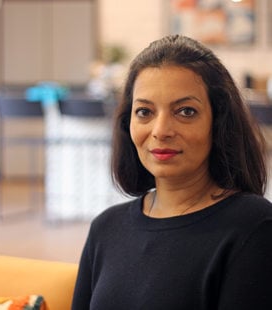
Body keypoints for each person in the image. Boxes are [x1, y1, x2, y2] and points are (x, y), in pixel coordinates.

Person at [71, 35, 272, 309]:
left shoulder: (254, 227)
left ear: (219, 121)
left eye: (186, 111)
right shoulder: (105, 228)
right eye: (144, 112)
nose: (161, 130)